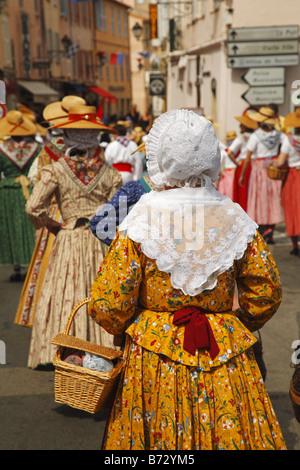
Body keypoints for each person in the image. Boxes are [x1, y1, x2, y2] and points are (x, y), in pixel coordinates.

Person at [88, 109, 286, 450]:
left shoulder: (142, 220)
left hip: (154, 355)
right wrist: (237, 323)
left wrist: (134, 323)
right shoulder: (234, 216)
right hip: (224, 350)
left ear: (162, 158)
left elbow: (109, 303)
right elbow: (266, 290)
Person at [25, 105, 122, 369]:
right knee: (97, 296)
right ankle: (100, 354)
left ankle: (64, 352)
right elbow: (120, 216)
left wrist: (53, 225)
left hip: (68, 237)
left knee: (67, 294)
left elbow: (33, 206)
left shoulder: (55, 171)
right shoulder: (111, 174)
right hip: (101, 243)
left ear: (67, 136)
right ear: (94, 139)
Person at [15, 96, 84, 328]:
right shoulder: (92, 152)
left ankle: (49, 319)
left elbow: (38, 183)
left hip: (56, 214)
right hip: (85, 217)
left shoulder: (48, 151)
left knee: (50, 269)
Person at [0, 110, 42, 281]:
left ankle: (16, 268)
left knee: (11, 228)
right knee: (29, 227)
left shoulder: (2, 148)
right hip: (29, 190)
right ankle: (31, 264)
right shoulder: (36, 147)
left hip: (8, 191)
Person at [239, 106, 285, 244]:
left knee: (260, 198)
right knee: (273, 197)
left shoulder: (255, 136)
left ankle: (264, 228)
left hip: (259, 168)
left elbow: (248, 158)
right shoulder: (278, 135)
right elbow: (287, 145)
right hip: (274, 166)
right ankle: (271, 229)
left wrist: (242, 174)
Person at [273, 107, 300, 255]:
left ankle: (294, 244)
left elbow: (281, 161)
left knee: (292, 209)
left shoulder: (289, 142)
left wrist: (274, 164)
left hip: (292, 178)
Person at [227, 113, 258, 212]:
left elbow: (230, 152)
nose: (240, 126)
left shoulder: (241, 138)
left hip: (243, 164)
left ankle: (243, 213)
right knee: (253, 191)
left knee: (242, 192)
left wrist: (237, 164)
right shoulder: (257, 136)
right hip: (255, 164)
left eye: (242, 124)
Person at [217, 131, 237, 200]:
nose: (231, 141)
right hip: (228, 173)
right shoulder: (224, 151)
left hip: (234, 171)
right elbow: (220, 162)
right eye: (229, 140)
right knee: (228, 189)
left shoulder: (236, 150)